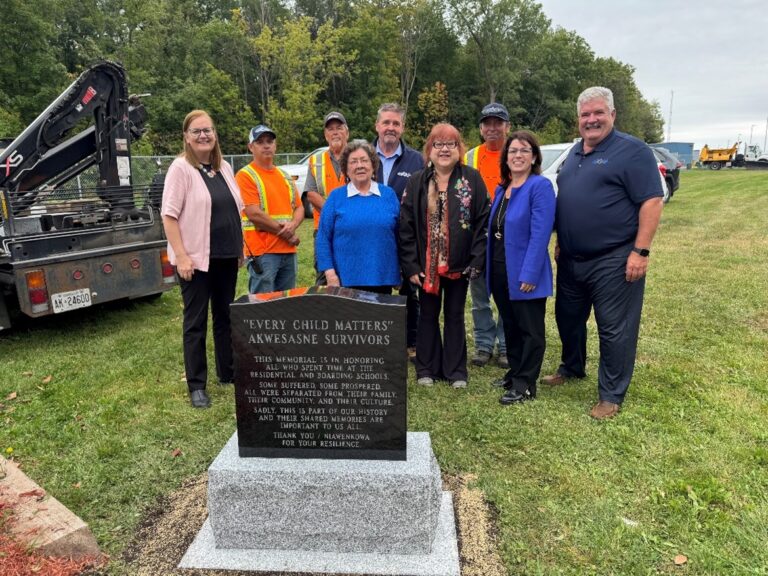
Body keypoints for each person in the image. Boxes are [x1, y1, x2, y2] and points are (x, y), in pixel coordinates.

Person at [542, 86, 664, 419]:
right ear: (578, 119)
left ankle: (610, 395)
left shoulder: (632, 151)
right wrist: (561, 240)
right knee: (568, 319)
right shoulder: (574, 153)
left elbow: (651, 201)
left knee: (614, 328)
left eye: (598, 113)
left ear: (612, 114)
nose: (592, 120)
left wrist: (640, 250)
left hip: (614, 257)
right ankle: (571, 367)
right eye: (585, 115)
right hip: (570, 258)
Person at [161, 110, 244, 409]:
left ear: (215, 134)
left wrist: (239, 248)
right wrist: (181, 256)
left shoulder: (224, 168)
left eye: (207, 130)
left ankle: (228, 372)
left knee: (225, 317)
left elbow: (235, 211)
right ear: (186, 136)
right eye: (196, 131)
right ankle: (197, 385)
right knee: (195, 323)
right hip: (194, 261)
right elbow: (169, 216)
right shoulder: (181, 169)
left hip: (224, 256)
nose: (203, 136)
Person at [400, 123, 490, 389]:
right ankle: (426, 368)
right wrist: (411, 265)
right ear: (429, 149)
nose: (444, 149)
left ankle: (456, 371)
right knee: (427, 314)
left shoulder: (472, 179)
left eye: (451, 144)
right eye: (438, 144)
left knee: (454, 315)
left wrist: (476, 259)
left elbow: (482, 222)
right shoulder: (417, 181)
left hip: (459, 264)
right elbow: (405, 226)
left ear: (459, 149)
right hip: (426, 265)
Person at [486, 131, 556, 405]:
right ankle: (514, 373)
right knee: (511, 326)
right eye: (513, 151)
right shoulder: (502, 190)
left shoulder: (540, 187)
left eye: (524, 150)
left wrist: (530, 273)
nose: (517, 155)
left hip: (526, 271)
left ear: (534, 156)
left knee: (530, 329)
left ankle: (526, 383)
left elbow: (540, 234)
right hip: (501, 269)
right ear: (506, 157)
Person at [373, 103, 424, 360]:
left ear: (402, 127)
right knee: (375, 290)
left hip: (406, 238)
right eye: (386, 122)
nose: (391, 127)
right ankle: (377, 340)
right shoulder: (363, 155)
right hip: (372, 239)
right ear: (377, 126)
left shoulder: (416, 159)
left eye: (396, 123)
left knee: (409, 291)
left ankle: (411, 342)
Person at [315, 140, 400, 293]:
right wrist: (329, 272)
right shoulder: (336, 197)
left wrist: (399, 270)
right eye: (353, 162)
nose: (359, 165)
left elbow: (400, 235)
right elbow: (323, 237)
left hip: (382, 279)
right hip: (344, 281)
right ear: (346, 169)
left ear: (373, 165)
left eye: (364, 160)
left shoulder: (389, 195)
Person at [464, 102, 511, 368]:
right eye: (487, 123)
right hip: (477, 236)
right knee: (479, 295)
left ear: (507, 126)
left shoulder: (516, 153)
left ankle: (505, 345)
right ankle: (483, 345)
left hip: (507, 236)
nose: (492, 128)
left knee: (504, 293)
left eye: (498, 122)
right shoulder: (469, 157)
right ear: (481, 129)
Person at [236, 125, 304, 294]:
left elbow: (299, 207)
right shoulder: (245, 176)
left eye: (270, 141)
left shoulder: (284, 176)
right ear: (251, 147)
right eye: (260, 142)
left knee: (286, 306)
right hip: (263, 253)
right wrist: (288, 233)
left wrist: (293, 224)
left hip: (288, 251)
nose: (266, 145)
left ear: (275, 145)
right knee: (263, 310)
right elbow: (254, 213)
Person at [304, 112, 349, 283]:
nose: (335, 132)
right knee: (325, 277)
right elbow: (311, 193)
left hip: (352, 227)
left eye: (339, 128)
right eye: (330, 129)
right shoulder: (315, 160)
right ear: (325, 135)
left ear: (347, 132)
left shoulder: (358, 157)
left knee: (350, 275)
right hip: (323, 228)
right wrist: (335, 213)